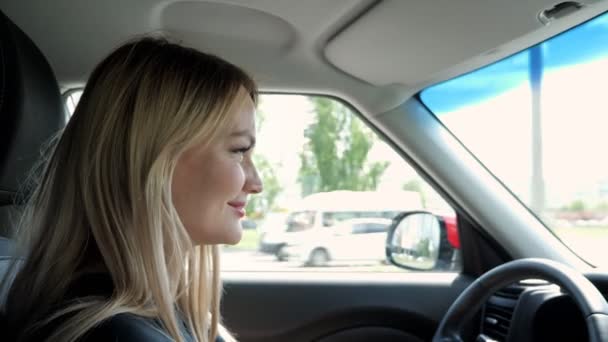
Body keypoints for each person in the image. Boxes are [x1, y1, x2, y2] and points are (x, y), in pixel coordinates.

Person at [0, 37, 263, 341]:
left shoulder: (166, 316)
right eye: (239, 151)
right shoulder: (118, 333)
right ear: (153, 159)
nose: (256, 183)